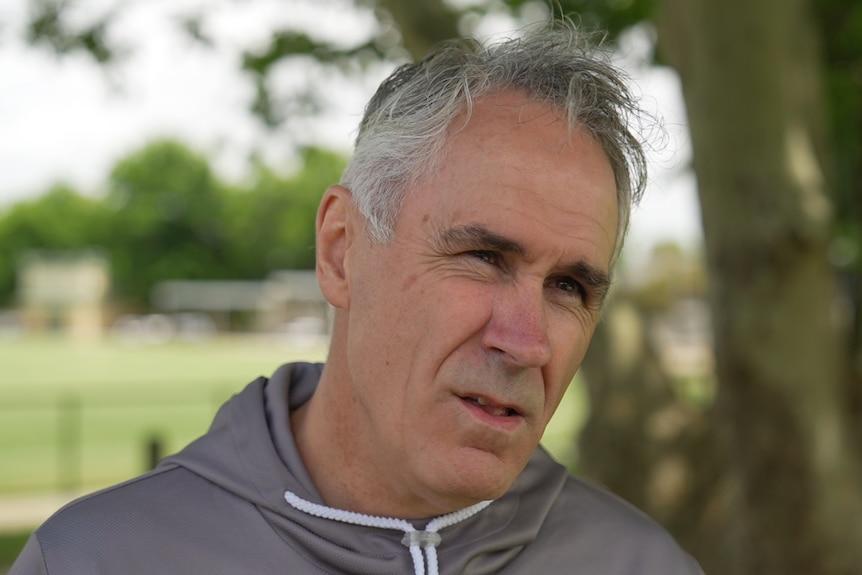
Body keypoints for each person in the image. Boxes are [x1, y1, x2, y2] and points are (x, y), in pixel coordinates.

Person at [10, 22, 703, 575]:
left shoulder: (642, 563)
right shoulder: (98, 558)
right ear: (342, 249)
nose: (526, 341)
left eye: (569, 287)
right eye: (484, 257)